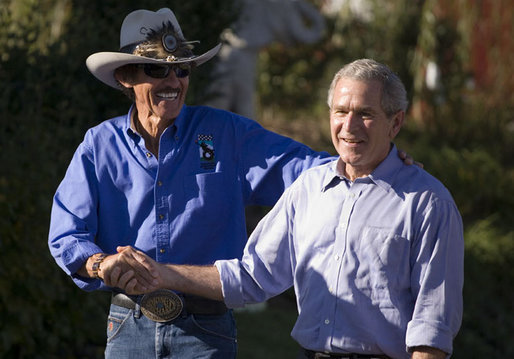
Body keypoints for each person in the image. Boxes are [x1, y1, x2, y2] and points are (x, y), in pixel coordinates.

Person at [48, 8, 417, 359]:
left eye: (183, 71)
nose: (173, 82)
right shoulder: (99, 144)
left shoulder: (223, 133)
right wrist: (101, 264)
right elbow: (66, 233)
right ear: (125, 77)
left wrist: (373, 159)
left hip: (206, 330)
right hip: (129, 324)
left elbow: (304, 169)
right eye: (156, 70)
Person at [130, 59, 464, 359]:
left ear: (395, 122)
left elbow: (432, 325)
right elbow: (251, 276)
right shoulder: (308, 189)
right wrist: (164, 274)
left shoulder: (427, 202)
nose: (349, 127)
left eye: (365, 114)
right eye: (341, 112)